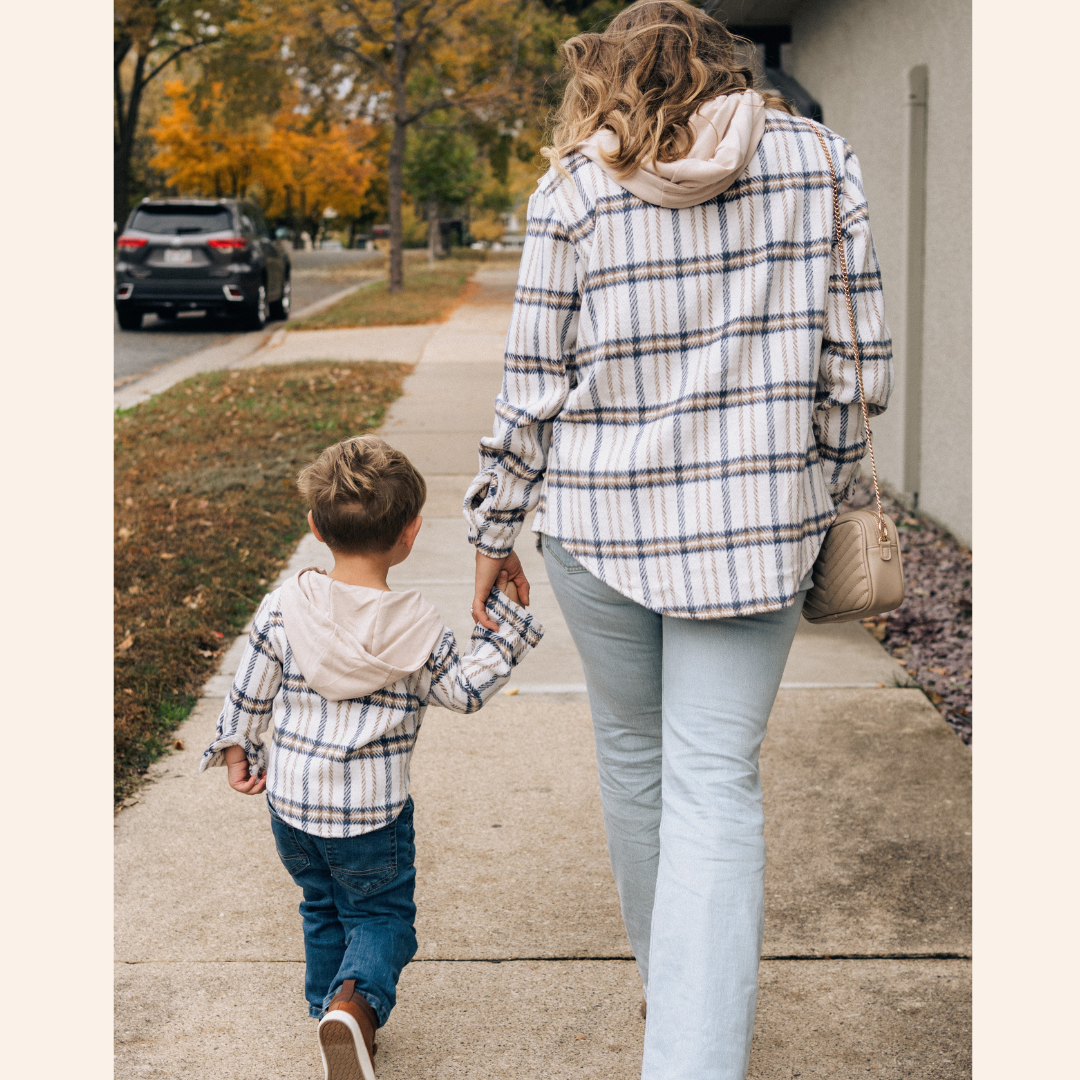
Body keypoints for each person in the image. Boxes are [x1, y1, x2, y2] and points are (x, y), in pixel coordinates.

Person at [465, 3, 893, 1078]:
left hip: (602, 535)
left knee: (635, 761)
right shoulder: (818, 161)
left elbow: (531, 393)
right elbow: (858, 367)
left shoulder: (573, 188)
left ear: (607, 72)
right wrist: (835, 487)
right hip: (755, 534)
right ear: (725, 64)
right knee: (716, 780)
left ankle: (676, 995)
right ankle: (696, 1047)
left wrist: (494, 527)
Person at [201, 435, 542, 1080]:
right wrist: (511, 632)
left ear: (314, 526)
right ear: (411, 534)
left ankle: (330, 1015)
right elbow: (465, 693)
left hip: (294, 808)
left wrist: (236, 748)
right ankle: (353, 1013)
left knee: (321, 905)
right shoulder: (418, 629)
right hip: (372, 818)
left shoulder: (284, 608)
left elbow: (250, 689)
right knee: (382, 916)